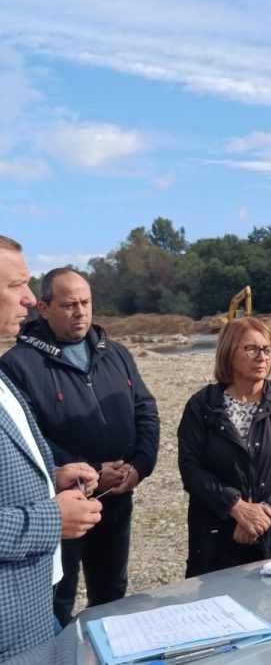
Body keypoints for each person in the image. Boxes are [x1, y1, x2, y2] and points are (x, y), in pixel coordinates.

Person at [0, 268, 159, 627]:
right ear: (44, 308)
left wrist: (139, 466)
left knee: (112, 594)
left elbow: (145, 410)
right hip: (62, 504)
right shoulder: (18, 365)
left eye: (86, 303)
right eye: (69, 305)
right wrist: (90, 472)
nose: (81, 312)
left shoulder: (116, 353)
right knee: (58, 598)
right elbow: (27, 442)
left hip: (117, 497)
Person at [0, 236, 102, 662]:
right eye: (15, 285)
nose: (28, 299)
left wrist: (52, 477)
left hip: (33, 614)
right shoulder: (17, 364)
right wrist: (52, 517)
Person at [178, 317, 271, 576]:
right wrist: (236, 507)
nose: (262, 357)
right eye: (251, 349)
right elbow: (191, 469)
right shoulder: (202, 406)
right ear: (228, 353)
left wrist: (267, 512)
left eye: (268, 349)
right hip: (220, 540)